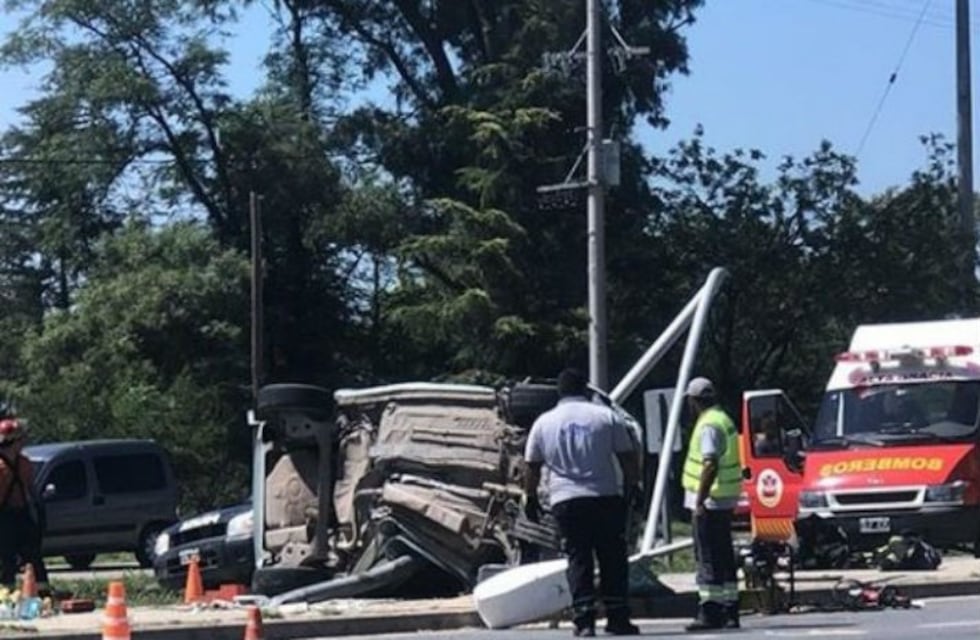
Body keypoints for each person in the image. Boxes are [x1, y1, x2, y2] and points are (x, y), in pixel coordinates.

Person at [524, 368, 640, 637]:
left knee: (579, 559)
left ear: (560, 392)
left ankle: (584, 620)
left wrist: (529, 497)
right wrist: (634, 487)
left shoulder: (544, 422)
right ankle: (617, 617)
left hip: (566, 500)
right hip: (604, 497)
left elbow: (531, 465)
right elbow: (627, 457)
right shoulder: (606, 417)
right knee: (612, 558)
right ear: (585, 390)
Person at [682, 377, 741, 632]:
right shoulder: (723, 418)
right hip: (724, 498)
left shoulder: (708, 425)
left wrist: (699, 500)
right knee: (723, 555)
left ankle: (710, 611)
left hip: (710, 500)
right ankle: (730, 609)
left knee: (707, 557)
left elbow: (709, 463)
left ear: (693, 401)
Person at [0, 417, 49, 591]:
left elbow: (31, 492)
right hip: (8, 517)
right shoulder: (21, 464)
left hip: (18, 515)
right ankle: (7, 595)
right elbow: (32, 491)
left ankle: (41, 591)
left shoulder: (24, 463)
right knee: (11, 559)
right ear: (16, 441)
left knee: (30, 557)